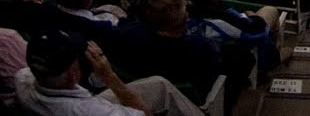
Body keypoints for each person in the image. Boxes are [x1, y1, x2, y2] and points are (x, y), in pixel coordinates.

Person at [14, 28, 202, 116]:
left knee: (158, 84)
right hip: (80, 106)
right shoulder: (95, 112)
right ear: (73, 72)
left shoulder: (22, 79)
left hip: (60, 102)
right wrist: (109, 76)